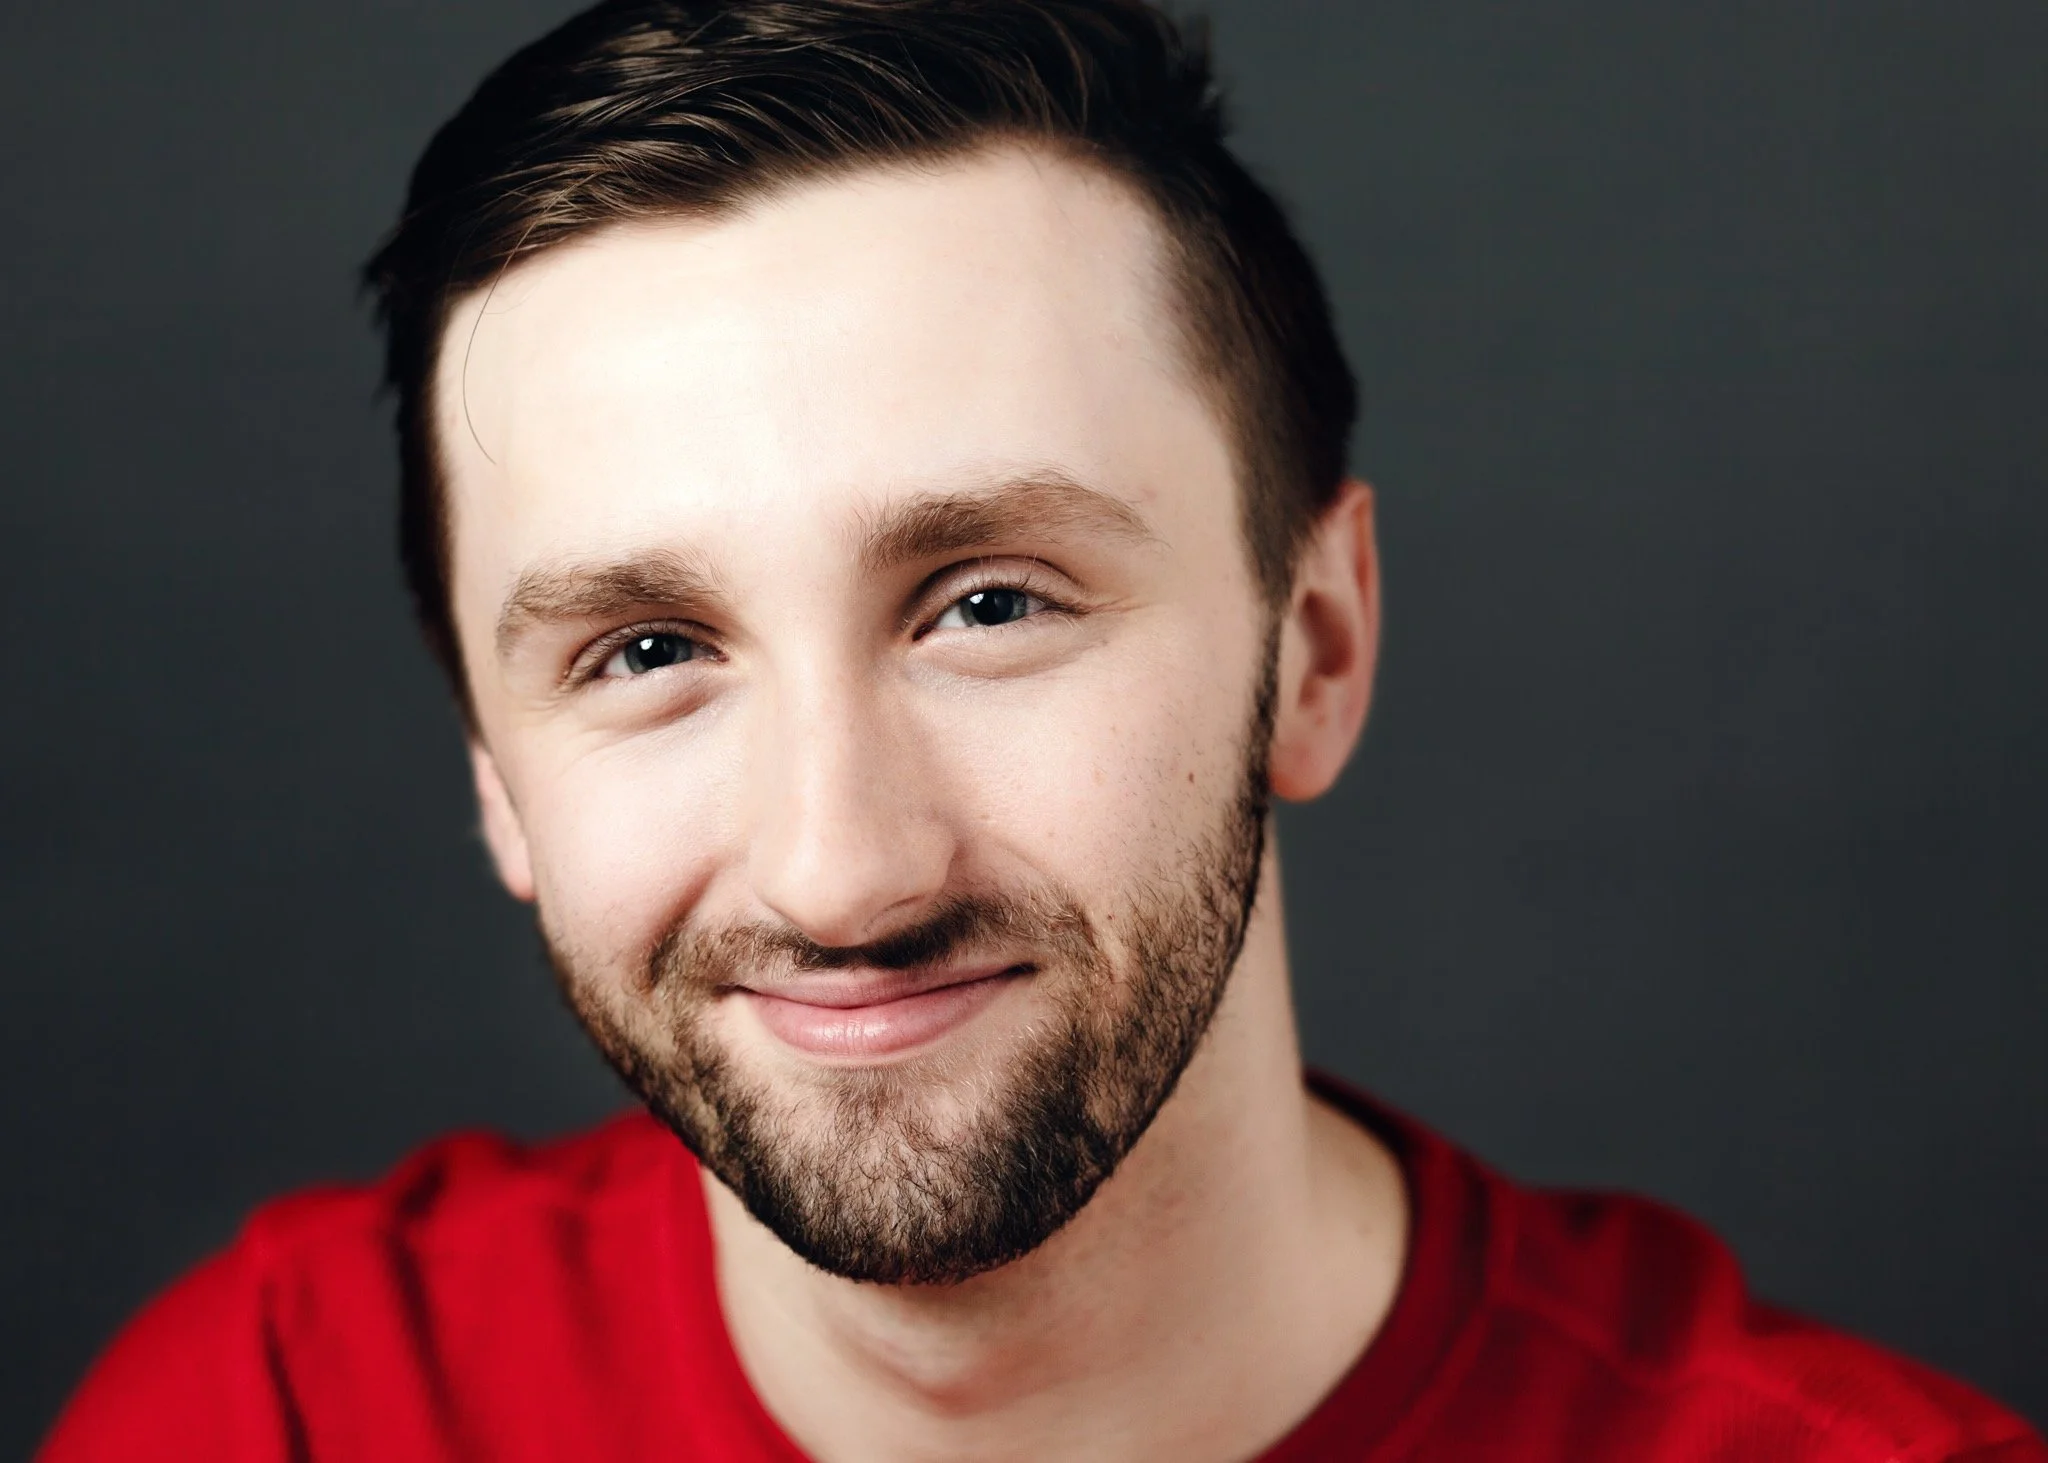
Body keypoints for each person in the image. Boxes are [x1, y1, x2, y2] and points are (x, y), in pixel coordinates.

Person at [38, 2, 2044, 1459]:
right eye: (648, 649)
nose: (841, 864)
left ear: (1315, 643)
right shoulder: (288, 1407)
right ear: (496, 774)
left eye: (988, 603)